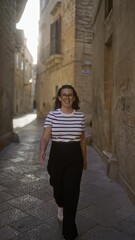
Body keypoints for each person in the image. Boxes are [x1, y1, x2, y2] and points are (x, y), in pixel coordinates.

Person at [39, 84, 87, 240]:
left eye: (70, 95)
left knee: (72, 192)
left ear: (74, 98)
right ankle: (60, 204)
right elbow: (46, 136)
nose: (67, 97)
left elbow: (82, 139)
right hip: (57, 154)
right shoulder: (52, 115)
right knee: (56, 185)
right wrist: (42, 150)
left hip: (74, 156)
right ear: (59, 98)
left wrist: (84, 159)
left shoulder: (80, 116)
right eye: (64, 95)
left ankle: (69, 232)